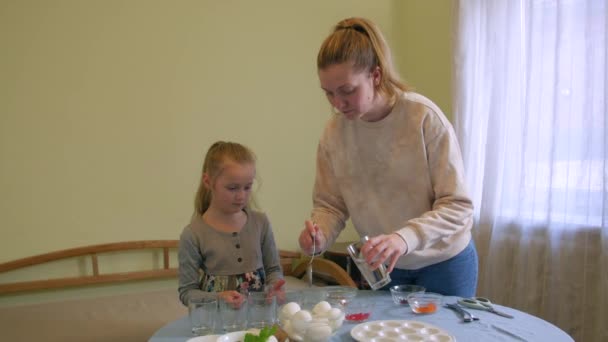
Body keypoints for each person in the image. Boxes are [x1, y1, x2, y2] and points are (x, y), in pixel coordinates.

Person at [297, 17, 478, 297]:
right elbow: (330, 205)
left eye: (347, 90)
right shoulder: (334, 133)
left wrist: (403, 239)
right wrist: (318, 234)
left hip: (444, 263)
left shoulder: (423, 118)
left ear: (376, 75)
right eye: (329, 93)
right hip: (383, 267)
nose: (337, 103)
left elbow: (457, 206)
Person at [178, 141, 284, 306]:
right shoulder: (193, 234)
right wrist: (218, 298)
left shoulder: (261, 223)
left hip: (259, 322)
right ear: (208, 182)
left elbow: (273, 270)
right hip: (218, 326)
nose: (241, 196)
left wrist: (274, 287)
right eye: (233, 188)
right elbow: (187, 292)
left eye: (247, 187)